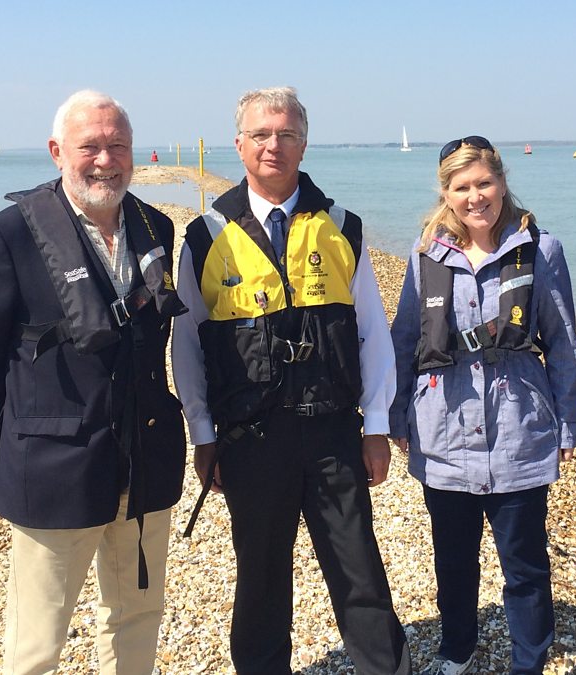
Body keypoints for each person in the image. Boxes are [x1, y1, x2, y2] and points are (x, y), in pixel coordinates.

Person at [171, 86, 410, 675]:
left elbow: (372, 332)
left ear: (304, 144)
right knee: (259, 580)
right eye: (260, 134)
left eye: (286, 134)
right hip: (250, 440)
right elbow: (187, 347)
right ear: (239, 144)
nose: (272, 145)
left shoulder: (342, 226)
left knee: (360, 574)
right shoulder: (206, 236)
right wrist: (203, 435)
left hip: (333, 435)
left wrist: (376, 426)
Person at [0, 90, 187, 674]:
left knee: (136, 616)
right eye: (90, 147)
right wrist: (8, 446)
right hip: (52, 469)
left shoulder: (155, 226)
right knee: (37, 640)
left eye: (118, 146)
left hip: (144, 461)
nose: (106, 160)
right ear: (57, 152)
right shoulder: (9, 235)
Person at [389, 136, 576, 675]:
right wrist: (396, 414)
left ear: (502, 183)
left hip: (518, 428)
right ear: (446, 193)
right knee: (453, 560)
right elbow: (405, 340)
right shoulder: (426, 254)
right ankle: (457, 648)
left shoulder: (541, 250)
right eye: (462, 187)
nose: (475, 197)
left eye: (484, 184)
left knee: (525, 564)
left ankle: (530, 659)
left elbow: (564, 344)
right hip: (444, 431)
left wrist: (568, 423)